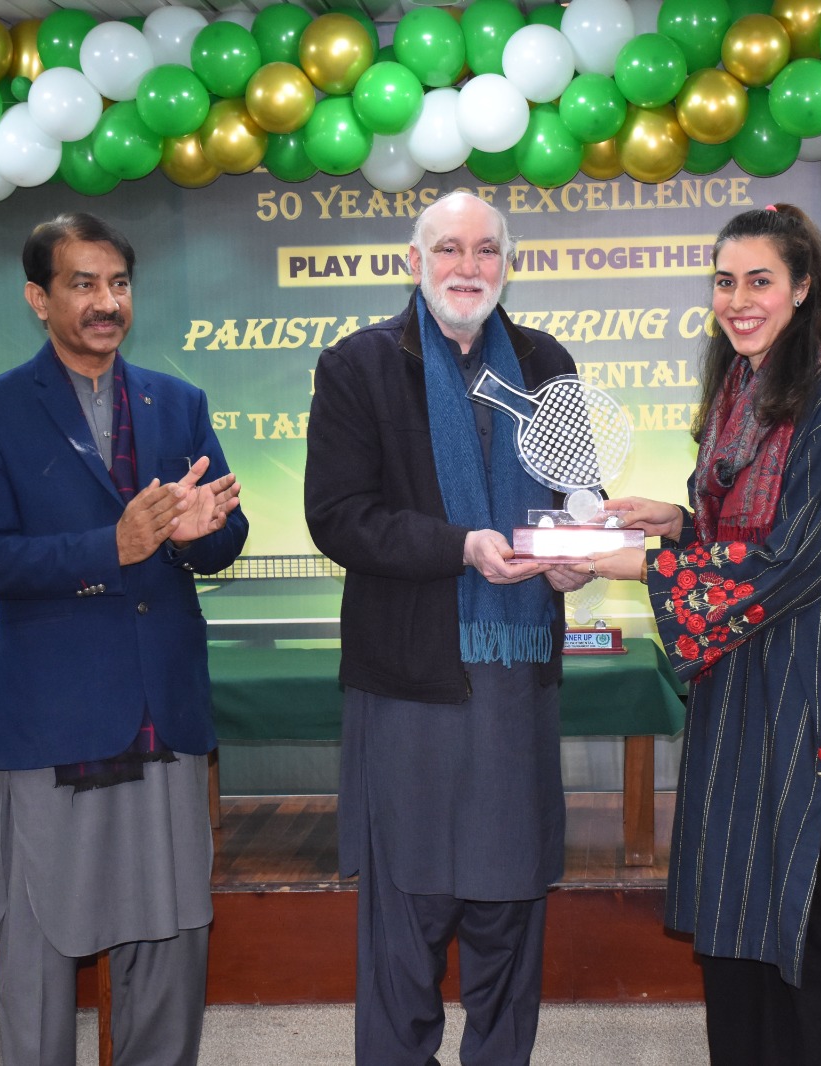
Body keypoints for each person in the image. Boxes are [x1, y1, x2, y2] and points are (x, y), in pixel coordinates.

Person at [576, 205, 821, 1065]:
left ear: (803, 289)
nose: (739, 299)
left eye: (760, 280)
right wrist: (680, 521)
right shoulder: (738, 393)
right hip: (739, 685)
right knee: (740, 908)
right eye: (725, 282)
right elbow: (750, 538)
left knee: (813, 914)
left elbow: (793, 563)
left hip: (810, 692)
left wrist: (645, 563)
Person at [0, 212, 249, 1066]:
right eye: (83, 284)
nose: (106, 302)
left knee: (171, 928)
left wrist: (199, 533)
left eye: (118, 284)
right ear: (39, 298)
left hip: (164, 707)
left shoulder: (176, 402)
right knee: (43, 934)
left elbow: (226, 533)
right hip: (56, 714)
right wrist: (109, 548)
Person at [303, 190, 590, 1066]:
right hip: (412, 681)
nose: (469, 267)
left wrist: (581, 552)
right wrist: (460, 546)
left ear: (508, 263)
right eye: (450, 249)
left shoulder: (547, 363)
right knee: (408, 917)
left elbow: (581, 497)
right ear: (416, 260)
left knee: (509, 911)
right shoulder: (358, 366)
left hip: (514, 682)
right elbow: (338, 518)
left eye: (487, 251)